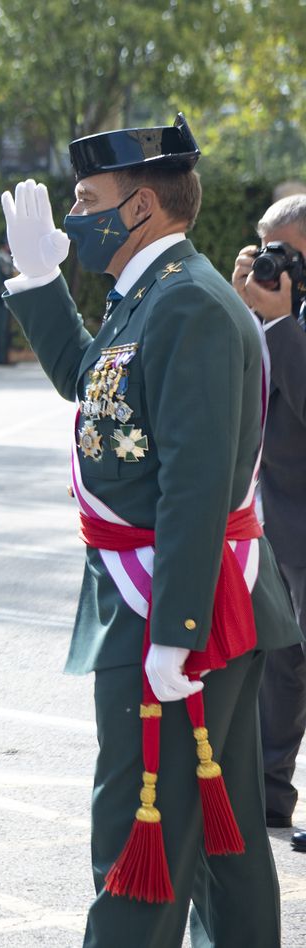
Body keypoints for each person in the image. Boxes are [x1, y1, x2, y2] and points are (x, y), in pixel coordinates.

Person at [0, 113, 298, 946]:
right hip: (171, 595)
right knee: (222, 836)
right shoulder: (155, 297)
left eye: (87, 200)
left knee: (147, 840)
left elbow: (195, 484)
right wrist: (38, 280)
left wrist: (176, 632)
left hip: (177, 606)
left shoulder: (189, 304)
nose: (74, 217)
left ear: (141, 208)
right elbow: (90, 386)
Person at [230, 194, 306, 852]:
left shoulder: (292, 322)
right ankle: (267, 795)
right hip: (273, 519)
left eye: (287, 252)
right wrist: (243, 310)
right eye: (266, 249)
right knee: (280, 664)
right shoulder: (269, 312)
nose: (274, 263)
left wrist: (283, 325)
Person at [0, 235, 17, 365]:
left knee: (7, 331)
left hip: (8, 301)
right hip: (0, 301)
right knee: (0, 331)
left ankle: (5, 357)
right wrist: (4, 296)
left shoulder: (8, 260)